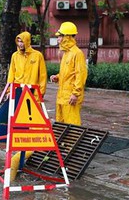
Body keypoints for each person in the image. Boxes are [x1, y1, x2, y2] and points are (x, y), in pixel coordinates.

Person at [6, 31, 48, 180]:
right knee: (19, 123)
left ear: (28, 41)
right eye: (18, 41)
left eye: (22, 41)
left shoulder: (37, 56)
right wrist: (9, 91)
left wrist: (39, 95)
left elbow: (42, 77)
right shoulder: (14, 56)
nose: (20, 44)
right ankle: (19, 148)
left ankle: (31, 147)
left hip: (32, 95)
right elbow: (11, 74)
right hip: (18, 95)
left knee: (33, 124)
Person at [49, 21, 87, 125]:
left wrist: (76, 94)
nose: (58, 39)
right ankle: (63, 142)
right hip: (62, 95)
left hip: (70, 96)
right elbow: (67, 73)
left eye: (60, 36)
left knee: (72, 124)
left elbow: (80, 75)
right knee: (61, 123)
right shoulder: (66, 53)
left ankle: (73, 141)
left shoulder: (77, 53)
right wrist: (57, 77)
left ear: (67, 37)